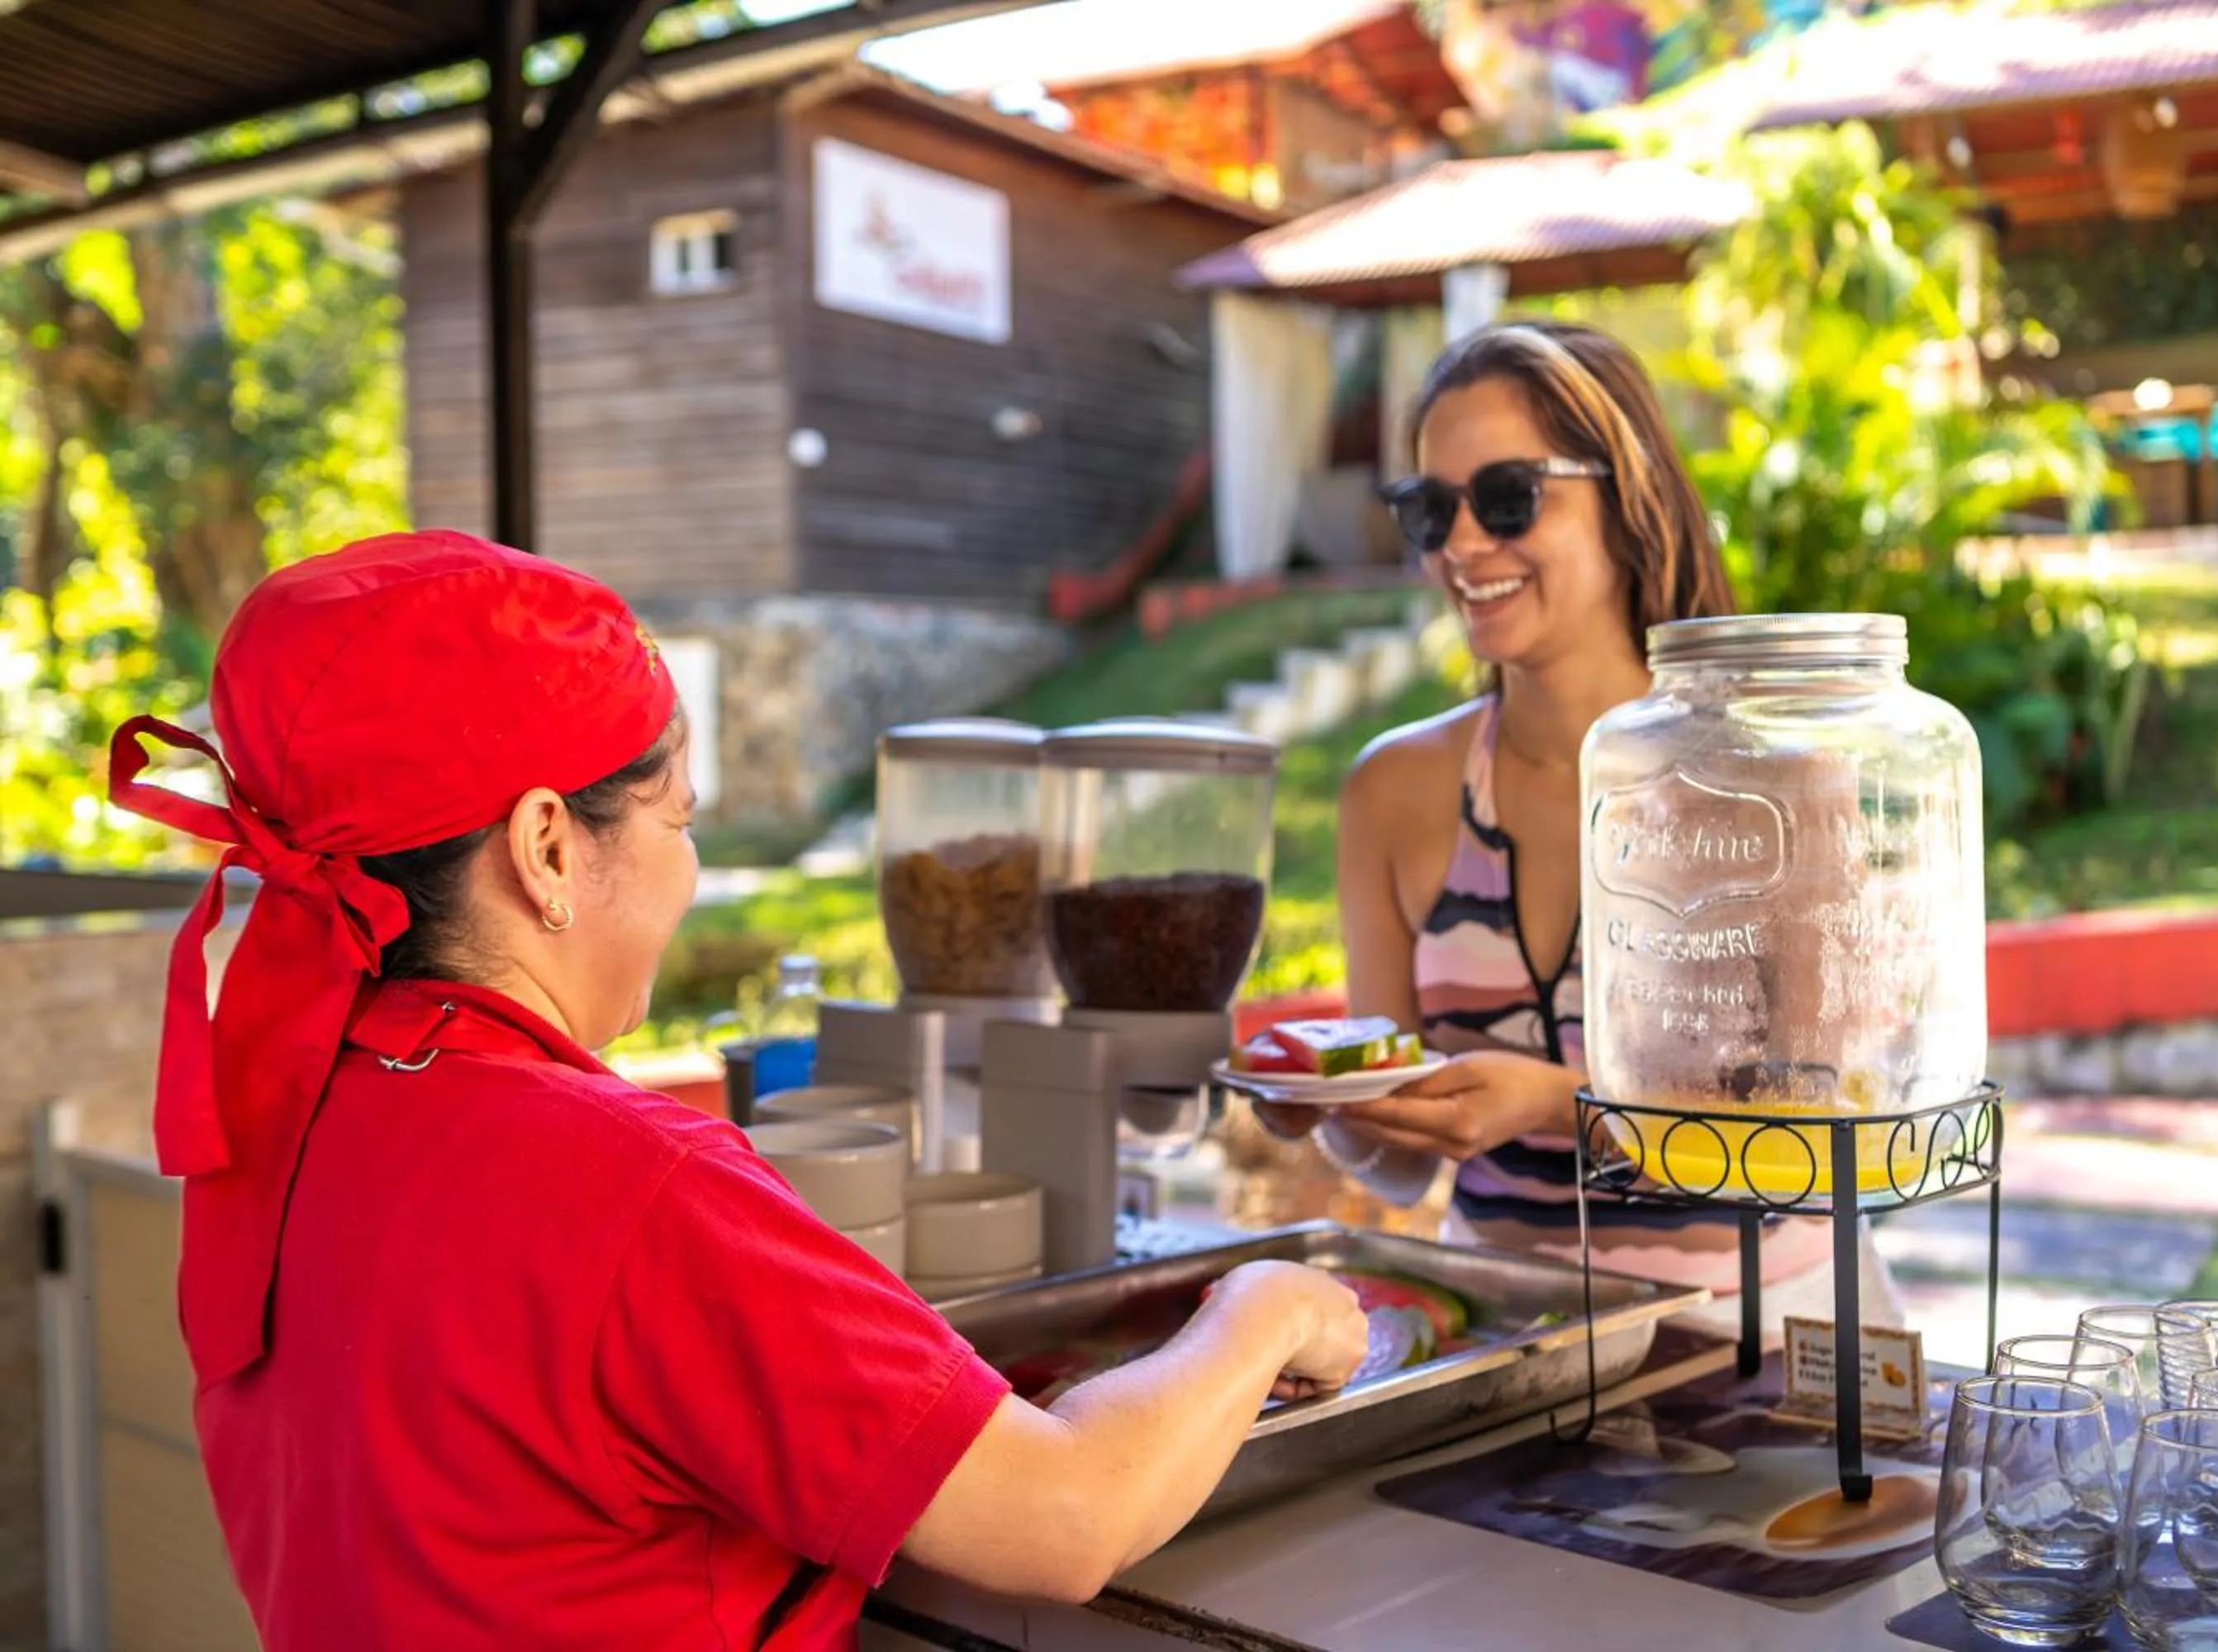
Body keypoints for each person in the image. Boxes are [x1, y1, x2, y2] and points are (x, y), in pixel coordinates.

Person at [112, 529, 1366, 1650]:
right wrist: (1258, 1309)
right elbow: (1065, 1517)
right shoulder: (626, 1182)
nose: (689, 871)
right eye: (678, 820)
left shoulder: (294, 1118)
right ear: (549, 848)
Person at [1261, 321, 1899, 1341]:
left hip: (1769, 1334)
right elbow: (1403, 1161)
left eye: (1508, 497)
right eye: (1432, 509)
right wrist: (1338, 1106)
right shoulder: (1393, 791)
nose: (1464, 545)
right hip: (1506, 1338)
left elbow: (1828, 1125)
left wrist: (1562, 1104)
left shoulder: (1776, 776)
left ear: (1627, 494)